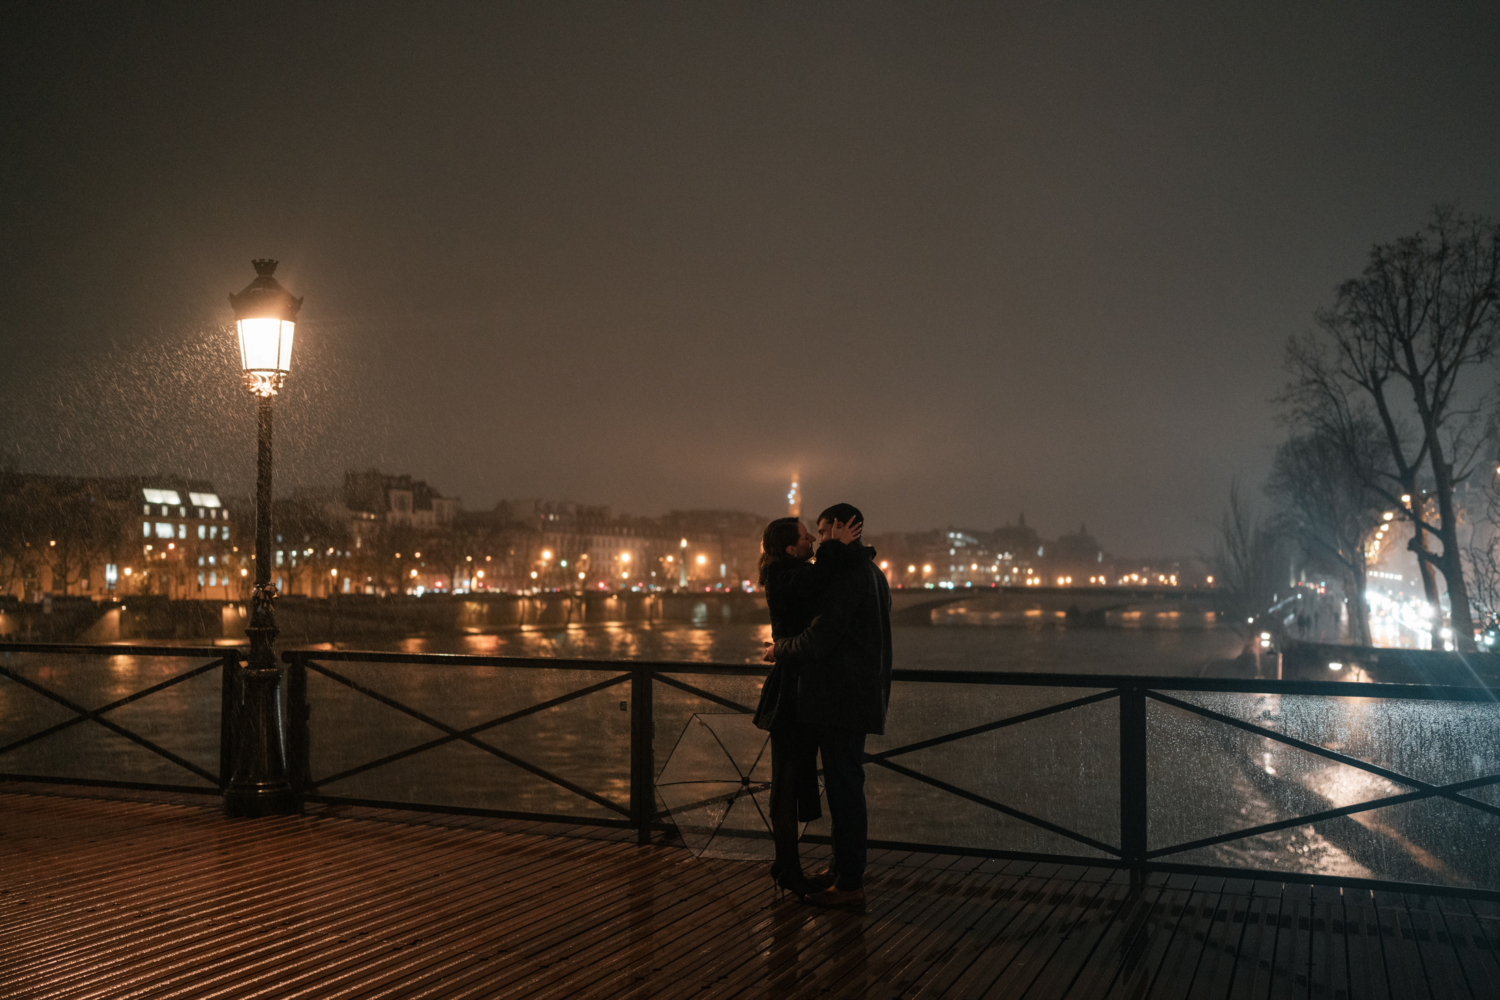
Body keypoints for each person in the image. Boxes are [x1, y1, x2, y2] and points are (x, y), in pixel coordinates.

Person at [765, 503, 892, 908]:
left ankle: (850, 883)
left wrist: (780, 648)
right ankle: (842, 869)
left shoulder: (847, 575)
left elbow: (821, 638)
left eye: (822, 532)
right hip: (862, 694)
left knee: (844, 792)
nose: (818, 541)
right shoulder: (874, 573)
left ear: (840, 528)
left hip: (841, 699)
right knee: (845, 787)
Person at [753, 514, 861, 900]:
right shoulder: (788, 576)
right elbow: (818, 578)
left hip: (797, 688)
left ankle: (786, 866)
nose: (813, 541)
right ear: (789, 548)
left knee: (790, 780)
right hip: (791, 692)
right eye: (805, 538)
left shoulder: (786, 573)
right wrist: (840, 544)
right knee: (786, 784)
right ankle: (789, 870)